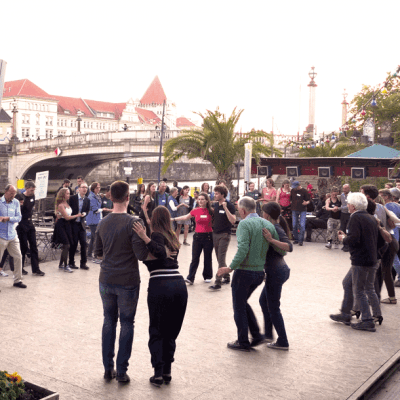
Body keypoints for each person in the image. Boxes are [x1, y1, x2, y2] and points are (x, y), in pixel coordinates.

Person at [95, 180, 149, 383]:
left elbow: (97, 253)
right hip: (128, 280)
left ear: (110, 196)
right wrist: (146, 239)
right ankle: (122, 371)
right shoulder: (134, 222)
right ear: (128, 198)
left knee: (108, 320)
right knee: (127, 322)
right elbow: (141, 255)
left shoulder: (103, 222)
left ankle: (108, 369)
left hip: (106, 278)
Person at [216, 197, 285, 351]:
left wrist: (229, 268)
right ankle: (256, 334)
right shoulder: (267, 224)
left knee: (238, 307)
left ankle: (243, 341)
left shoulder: (244, 224)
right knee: (242, 303)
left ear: (242, 210)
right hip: (259, 273)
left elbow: (242, 249)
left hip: (244, 272)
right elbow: (281, 251)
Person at [132, 206, 187, 387]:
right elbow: (165, 256)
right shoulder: (172, 236)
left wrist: (144, 236)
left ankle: (157, 373)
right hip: (179, 285)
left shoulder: (156, 235)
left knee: (157, 329)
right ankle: (167, 371)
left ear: (154, 220)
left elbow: (159, 252)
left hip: (161, 284)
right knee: (171, 330)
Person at [330, 193, 382, 332]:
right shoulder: (371, 217)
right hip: (371, 257)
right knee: (349, 283)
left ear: (353, 205)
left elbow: (354, 239)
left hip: (360, 259)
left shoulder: (356, 217)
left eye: (348, 204)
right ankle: (346, 314)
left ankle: (367, 320)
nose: (347, 205)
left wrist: (343, 239)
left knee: (359, 290)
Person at [260, 202, 292, 350]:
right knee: (263, 301)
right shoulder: (271, 227)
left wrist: (271, 240)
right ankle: (267, 334)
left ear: (267, 214)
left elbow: (289, 247)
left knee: (273, 307)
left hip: (277, 272)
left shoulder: (276, 228)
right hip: (277, 270)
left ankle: (283, 341)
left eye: (262, 212)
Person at [173, 193, 213, 284]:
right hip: (197, 237)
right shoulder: (195, 210)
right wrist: (173, 219)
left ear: (207, 200)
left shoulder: (211, 211)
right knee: (195, 258)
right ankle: (190, 278)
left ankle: (207, 276)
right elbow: (185, 217)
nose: (200, 201)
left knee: (207, 257)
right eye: (199, 199)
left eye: (202, 199)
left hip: (208, 237)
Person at [209, 185, 236, 290]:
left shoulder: (229, 205)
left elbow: (233, 220)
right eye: (214, 193)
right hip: (215, 233)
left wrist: (225, 208)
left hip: (225, 235)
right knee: (219, 258)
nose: (214, 195)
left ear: (222, 194)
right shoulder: (216, 205)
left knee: (220, 258)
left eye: (216, 193)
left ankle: (218, 282)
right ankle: (227, 276)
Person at [16, 181, 45, 276]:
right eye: (31, 190)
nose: (33, 191)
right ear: (27, 188)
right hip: (21, 224)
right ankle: (20, 268)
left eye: (34, 190)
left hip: (30, 223)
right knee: (23, 247)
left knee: (34, 246)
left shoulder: (33, 197)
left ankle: (36, 269)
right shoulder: (20, 197)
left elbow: (31, 208)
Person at [0, 184, 26, 288]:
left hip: (12, 235)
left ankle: (17, 281)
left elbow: (19, 217)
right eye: (11, 193)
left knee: (18, 257)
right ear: (5, 192)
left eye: (14, 193)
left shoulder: (15, 202)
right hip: (0, 235)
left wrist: (8, 218)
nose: (13, 195)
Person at [377, 188, 399, 304]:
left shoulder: (382, 208)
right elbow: (396, 222)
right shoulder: (396, 206)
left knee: (384, 271)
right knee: (384, 271)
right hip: (394, 239)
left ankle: (380, 297)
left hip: (388, 241)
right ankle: (389, 297)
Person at [52, 188, 83, 272]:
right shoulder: (61, 205)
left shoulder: (67, 203)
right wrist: (77, 215)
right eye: (67, 193)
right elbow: (66, 217)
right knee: (66, 245)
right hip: (61, 225)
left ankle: (61, 264)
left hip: (67, 226)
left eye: (69, 193)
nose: (69, 195)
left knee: (68, 245)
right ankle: (66, 265)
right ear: (63, 194)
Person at [68, 182, 90, 270]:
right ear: (79, 188)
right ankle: (71, 262)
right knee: (73, 244)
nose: (85, 189)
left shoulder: (87, 200)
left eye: (86, 188)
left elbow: (87, 210)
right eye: (83, 187)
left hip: (81, 224)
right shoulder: (72, 198)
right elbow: (68, 209)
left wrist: (85, 213)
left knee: (84, 243)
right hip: (73, 224)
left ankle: (83, 263)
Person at [87, 182, 103, 263]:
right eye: (97, 188)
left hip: (96, 219)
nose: (99, 189)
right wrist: (104, 210)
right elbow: (95, 209)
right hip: (93, 220)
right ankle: (96, 256)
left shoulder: (97, 196)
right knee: (96, 237)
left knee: (93, 238)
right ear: (93, 188)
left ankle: (89, 254)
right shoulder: (91, 197)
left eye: (99, 187)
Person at [290, 181, 310, 246]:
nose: (295, 188)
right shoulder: (292, 191)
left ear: (299, 185)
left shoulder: (304, 191)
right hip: (294, 209)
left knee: (302, 225)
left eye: (296, 187)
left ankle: (301, 240)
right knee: (294, 225)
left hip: (302, 210)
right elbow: (290, 198)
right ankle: (296, 239)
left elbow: (309, 200)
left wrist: (306, 203)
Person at [340, 184, 351, 252]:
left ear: (349, 188)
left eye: (346, 188)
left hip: (349, 213)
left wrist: (339, 208)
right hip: (343, 213)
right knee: (343, 228)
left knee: (348, 229)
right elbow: (342, 204)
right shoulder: (342, 195)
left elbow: (348, 205)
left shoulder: (351, 195)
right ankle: (344, 244)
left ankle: (348, 245)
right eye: (343, 188)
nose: (344, 190)